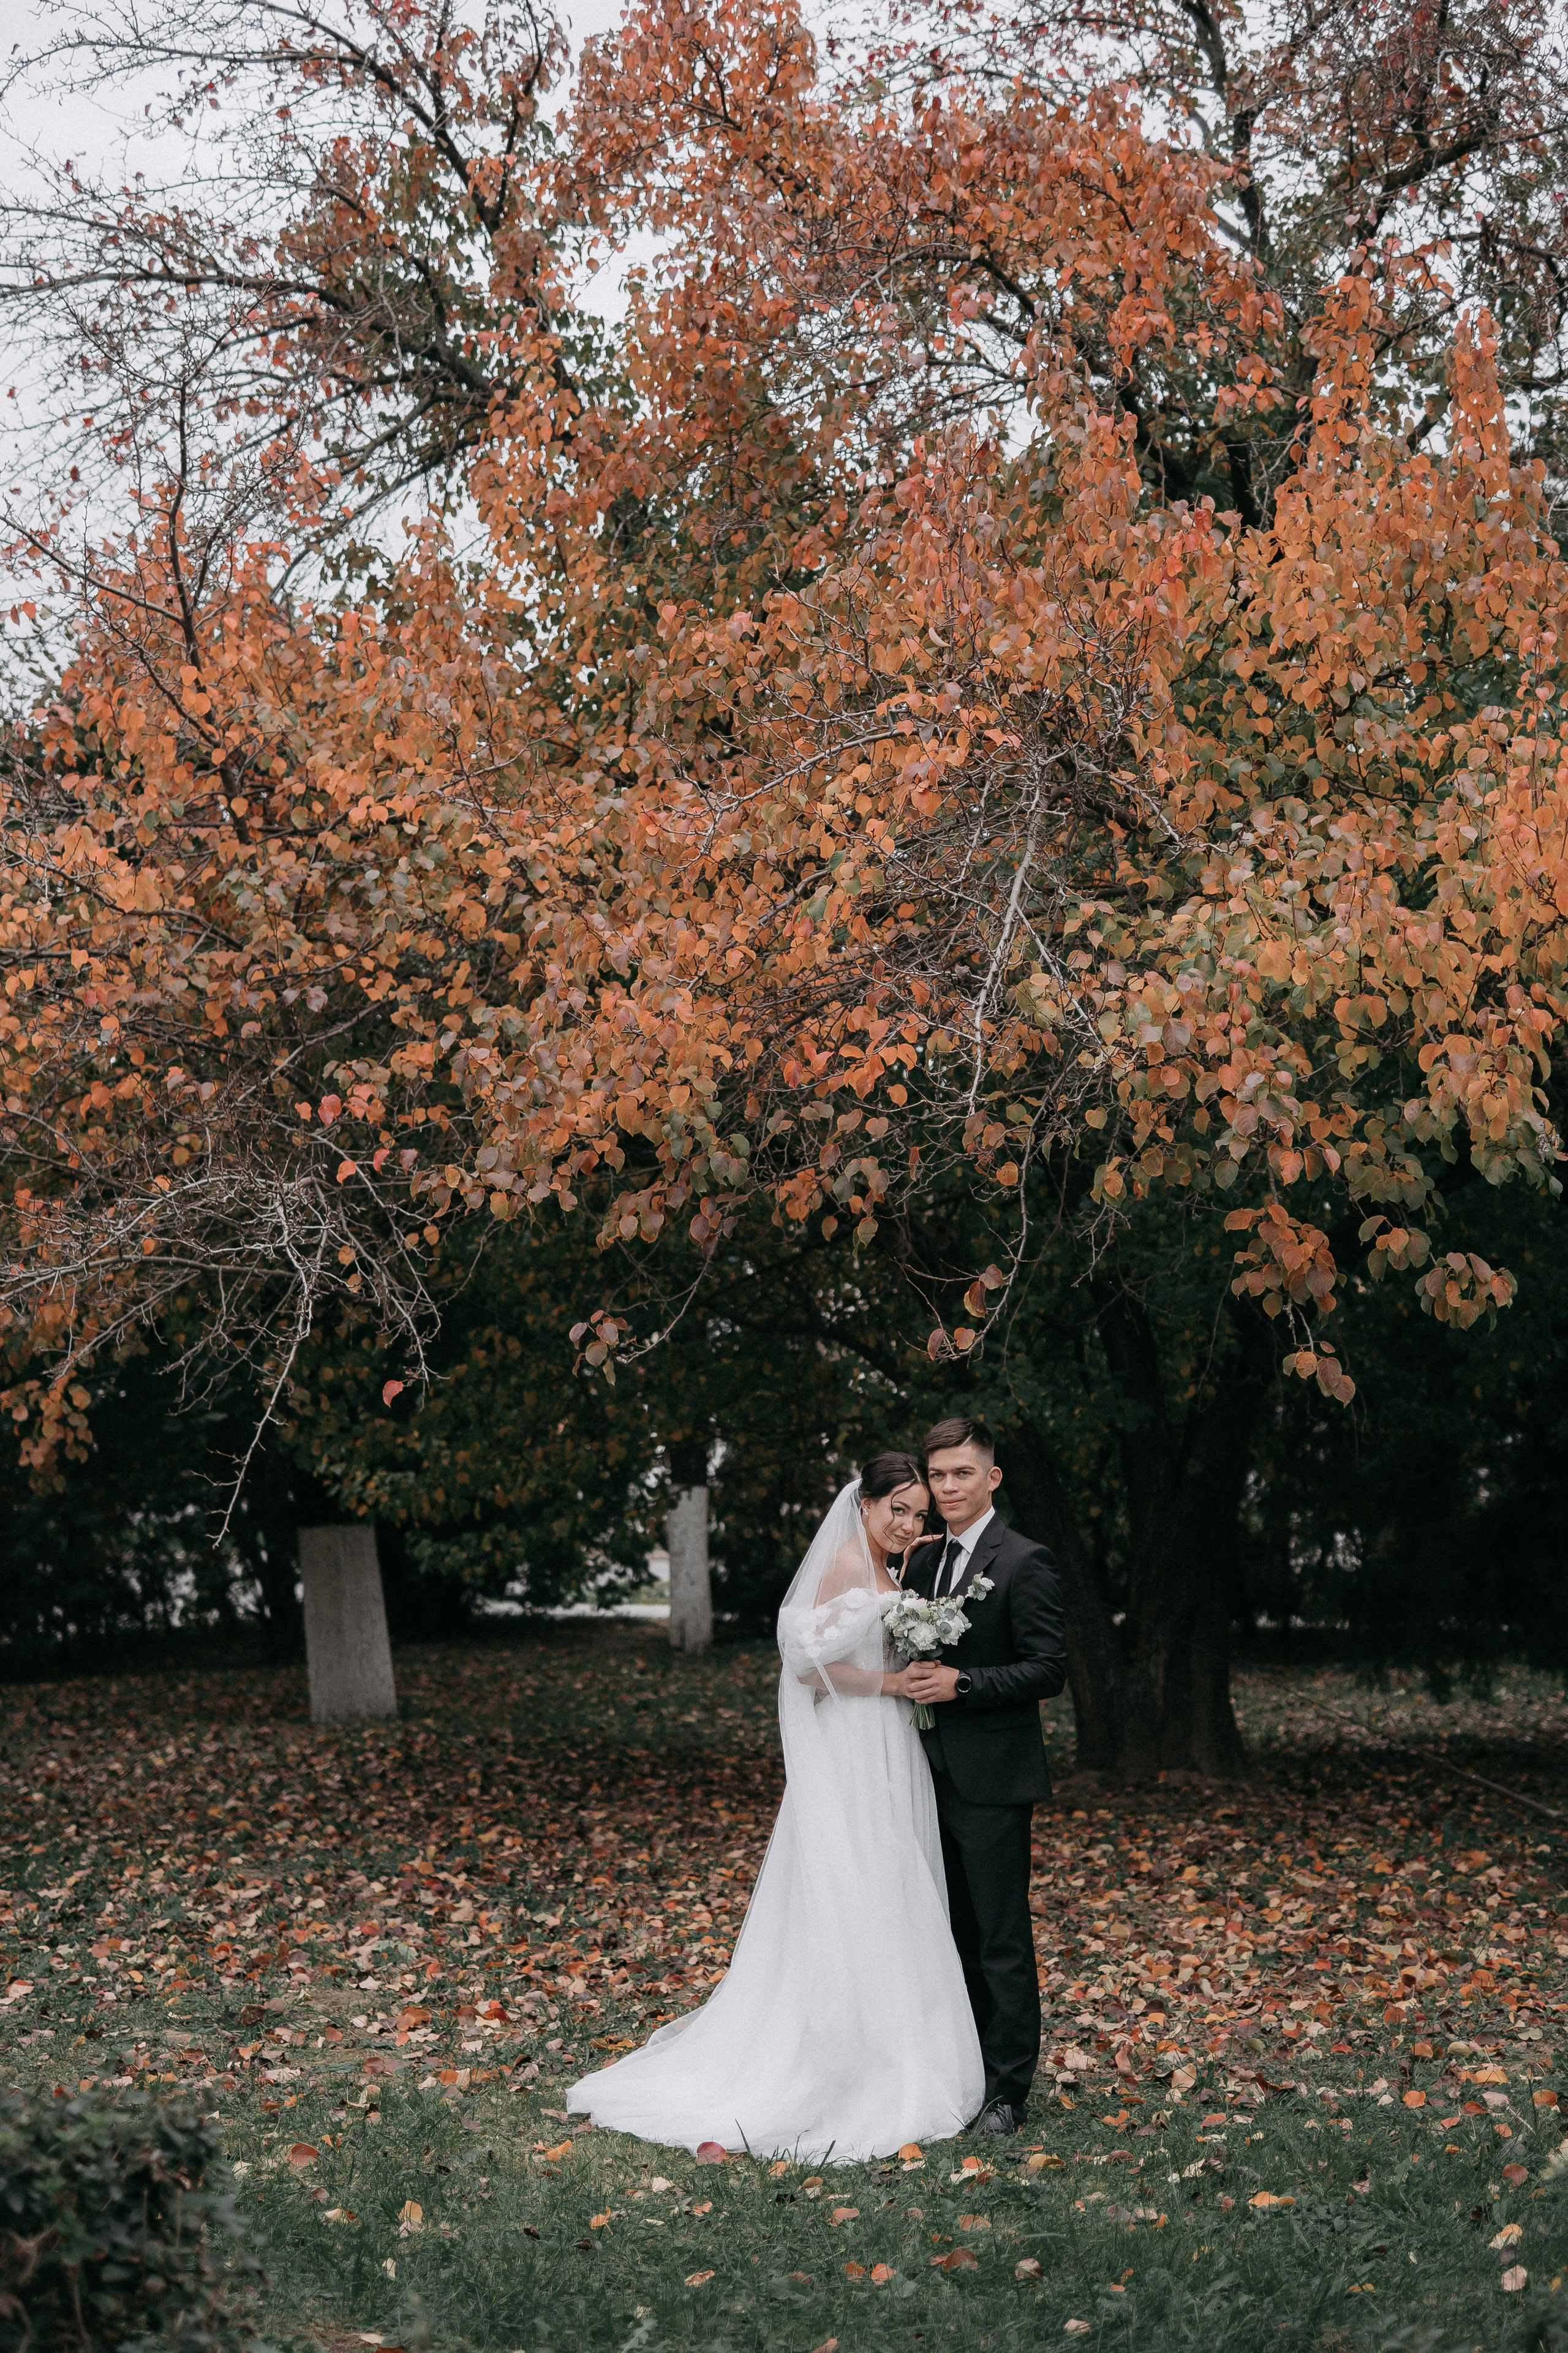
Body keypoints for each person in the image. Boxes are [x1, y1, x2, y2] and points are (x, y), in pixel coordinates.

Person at [565, 1453, 984, 2162]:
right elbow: (809, 1668)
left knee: (893, 1883)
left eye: (918, 1514)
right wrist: (891, 1686)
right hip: (857, 1744)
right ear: (865, 1503)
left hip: (891, 1748)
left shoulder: (895, 1567)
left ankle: (900, 2046)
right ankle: (843, 2063)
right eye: (898, 1510)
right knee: (856, 1885)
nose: (908, 1524)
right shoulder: (850, 1565)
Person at [899, 1417, 1066, 2138]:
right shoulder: (919, 1559)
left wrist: (963, 1683)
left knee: (1000, 1939)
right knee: (944, 1934)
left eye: (961, 1473)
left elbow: (1047, 1668)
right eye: (937, 1475)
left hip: (992, 1777)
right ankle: (959, 2073)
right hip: (916, 1774)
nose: (947, 1487)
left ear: (991, 1477)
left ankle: (1006, 2093)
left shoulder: (1026, 1561)